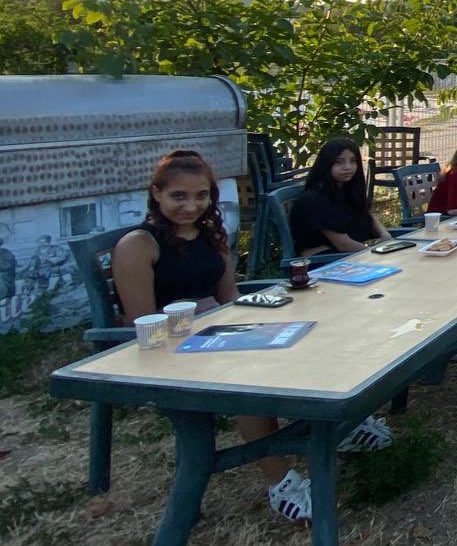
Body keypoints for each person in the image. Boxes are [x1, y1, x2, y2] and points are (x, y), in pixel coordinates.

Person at [112, 151, 390, 523]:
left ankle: (340, 429)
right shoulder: (138, 245)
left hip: (222, 329)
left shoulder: (211, 235)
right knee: (249, 374)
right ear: (156, 193)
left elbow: (229, 297)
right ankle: (281, 483)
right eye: (179, 196)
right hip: (173, 345)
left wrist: (267, 320)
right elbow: (142, 324)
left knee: (318, 334)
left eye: (201, 195)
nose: (191, 206)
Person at [291, 138, 393, 255]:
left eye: (353, 161)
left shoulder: (347, 191)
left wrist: (384, 234)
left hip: (354, 255)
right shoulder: (315, 199)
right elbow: (344, 245)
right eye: (339, 162)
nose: (348, 167)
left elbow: (367, 215)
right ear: (326, 164)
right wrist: (378, 255)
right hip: (326, 261)